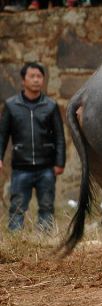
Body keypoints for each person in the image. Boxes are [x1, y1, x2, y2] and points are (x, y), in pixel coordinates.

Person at [0, 62, 66, 231]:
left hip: (46, 168)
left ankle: (43, 239)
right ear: (23, 80)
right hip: (21, 167)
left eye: (39, 76)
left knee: (46, 206)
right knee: (17, 207)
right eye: (32, 76)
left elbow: (59, 136)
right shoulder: (11, 105)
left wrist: (60, 162)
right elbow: (3, 134)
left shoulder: (50, 106)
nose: (36, 80)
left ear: (43, 80)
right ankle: (15, 238)